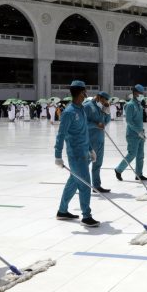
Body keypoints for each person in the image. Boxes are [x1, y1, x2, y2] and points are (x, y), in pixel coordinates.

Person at [54, 80, 99, 228]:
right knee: (85, 185)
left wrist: (91, 149)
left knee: (73, 183)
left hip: (84, 152)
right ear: (80, 93)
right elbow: (61, 135)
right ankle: (86, 216)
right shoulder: (69, 112)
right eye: (84, 92)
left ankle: (62, 211)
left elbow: (84, 132)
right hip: (76, 155)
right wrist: (58, 155)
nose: (86, 94)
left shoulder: (81, 110)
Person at [115, 85, 147, 181]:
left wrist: (142, 132)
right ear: (134, 93)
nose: (141, 95)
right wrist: (138, 131)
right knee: (132, 154)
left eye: (142, 93)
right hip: (132, 134)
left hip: (140, 134)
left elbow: (139, 121)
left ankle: (139, 174)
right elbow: (129, 121)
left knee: (140, 155)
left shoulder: (139, 105)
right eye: (140, 93)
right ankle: (118, 169)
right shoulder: (130, 105)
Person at [83, 91, 112, 193]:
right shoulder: (87, 106)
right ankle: (78, 184)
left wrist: (107, 111)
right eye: (104, 100)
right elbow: (83, 123)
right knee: (84, 164)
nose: (105, 102)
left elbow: (106, 122)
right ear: (99, 97)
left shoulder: (101, 107)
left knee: (98, 164)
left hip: (100, 140)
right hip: (90, 140)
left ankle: (96, 185)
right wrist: (96, 124)